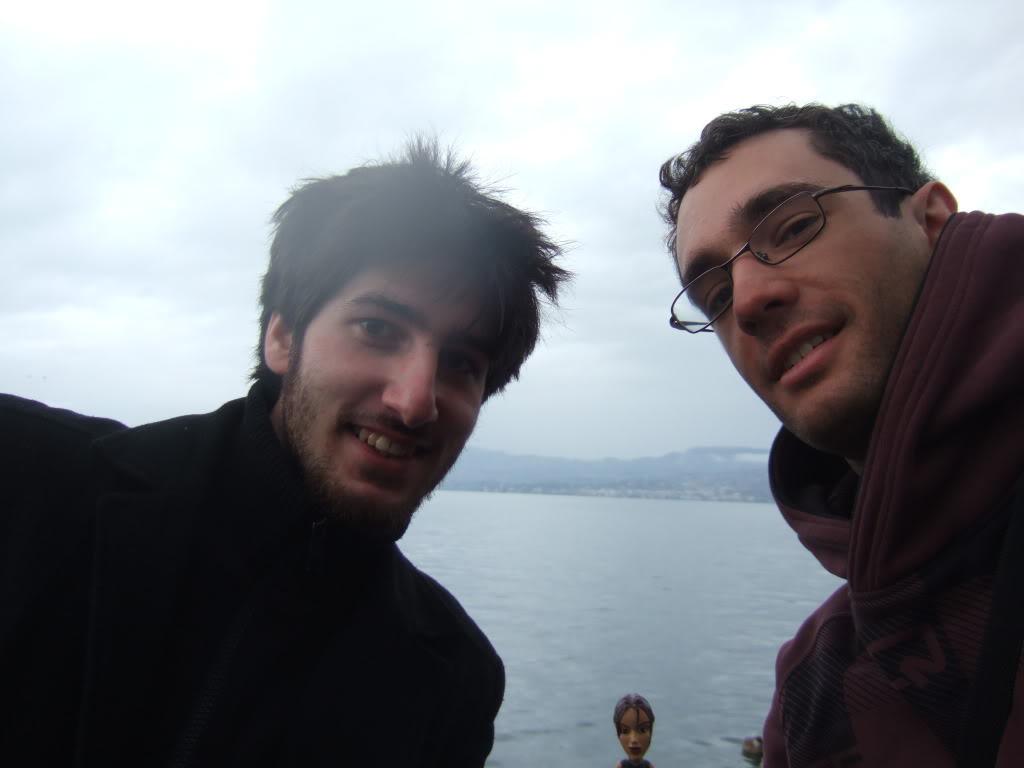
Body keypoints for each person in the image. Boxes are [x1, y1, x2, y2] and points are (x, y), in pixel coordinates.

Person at [0, 139, 569, 767]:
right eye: (377, 329)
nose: (414, 402)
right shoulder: (30, 485)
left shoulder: (451, 680)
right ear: (282, 336)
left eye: (460, 363)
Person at [659, 104, 1024, 766]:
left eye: (795, 226)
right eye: (715, 296)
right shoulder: (817, 686)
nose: (747, 300)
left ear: (932, 221)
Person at [613, 693, 656, 768]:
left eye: (642, 730)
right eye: (625, 730)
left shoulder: (647, 765)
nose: (634, 740)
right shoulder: (623, 765)